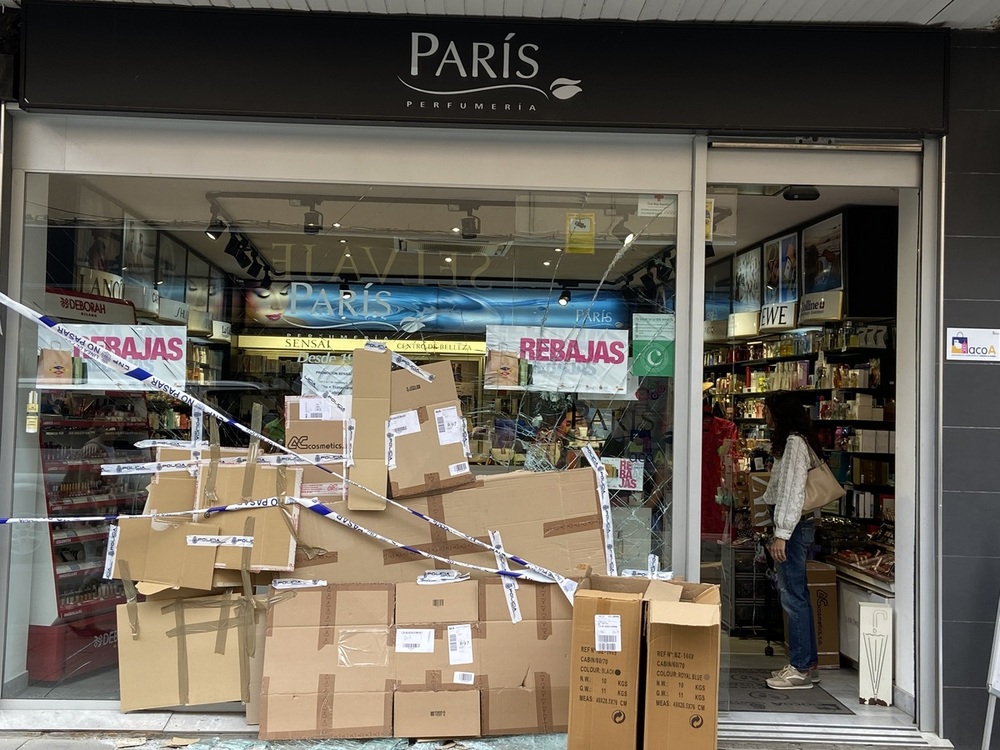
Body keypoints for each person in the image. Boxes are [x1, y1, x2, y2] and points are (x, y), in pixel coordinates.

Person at [760, 390, 824, 690]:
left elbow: (792, 491)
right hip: (795, 526)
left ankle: (800, 667)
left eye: (768, 410)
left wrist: (781, 534)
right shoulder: (798, 441)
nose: (765, 416)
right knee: (797, 593)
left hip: (792, 528)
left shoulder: (794, 443)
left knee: (792, 594)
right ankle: (807, 662)